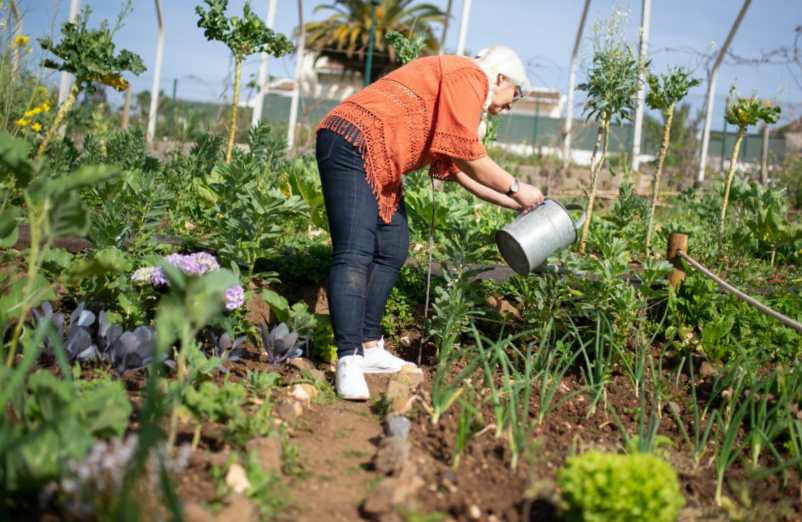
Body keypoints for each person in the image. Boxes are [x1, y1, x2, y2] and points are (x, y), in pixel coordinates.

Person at [315, 46, 545, 400]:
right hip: (351, 142)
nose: (510, 106)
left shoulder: (457, 92)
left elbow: (457, 166)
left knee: (392, 246)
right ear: (500, 79)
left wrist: (512, 201)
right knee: (355, 251)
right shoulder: (468, 75)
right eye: (514, 96)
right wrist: (516, 185)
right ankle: (348, 359)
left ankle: (370, 346)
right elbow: (469, 152)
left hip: (377, 158)